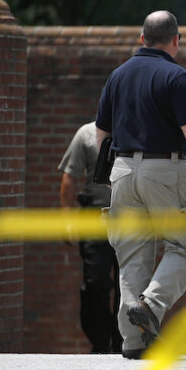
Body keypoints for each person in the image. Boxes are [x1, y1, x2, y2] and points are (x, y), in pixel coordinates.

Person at [95, 10, 186, 360]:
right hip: (164, 168)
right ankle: (151, 305)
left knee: (131, 254)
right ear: (175, 40)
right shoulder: (175, 75)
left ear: (141, 38)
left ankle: (133, 342)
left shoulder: (117, 75)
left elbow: (101, 134)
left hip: (122, 171)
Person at [58, 122, 122, 353]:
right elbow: (69, 177)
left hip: (129, 218)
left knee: (128, 283)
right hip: (94, 219)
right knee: (95, 282)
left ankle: (122, 341)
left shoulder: (137, 129)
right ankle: (100, 341)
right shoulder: (85, 134)